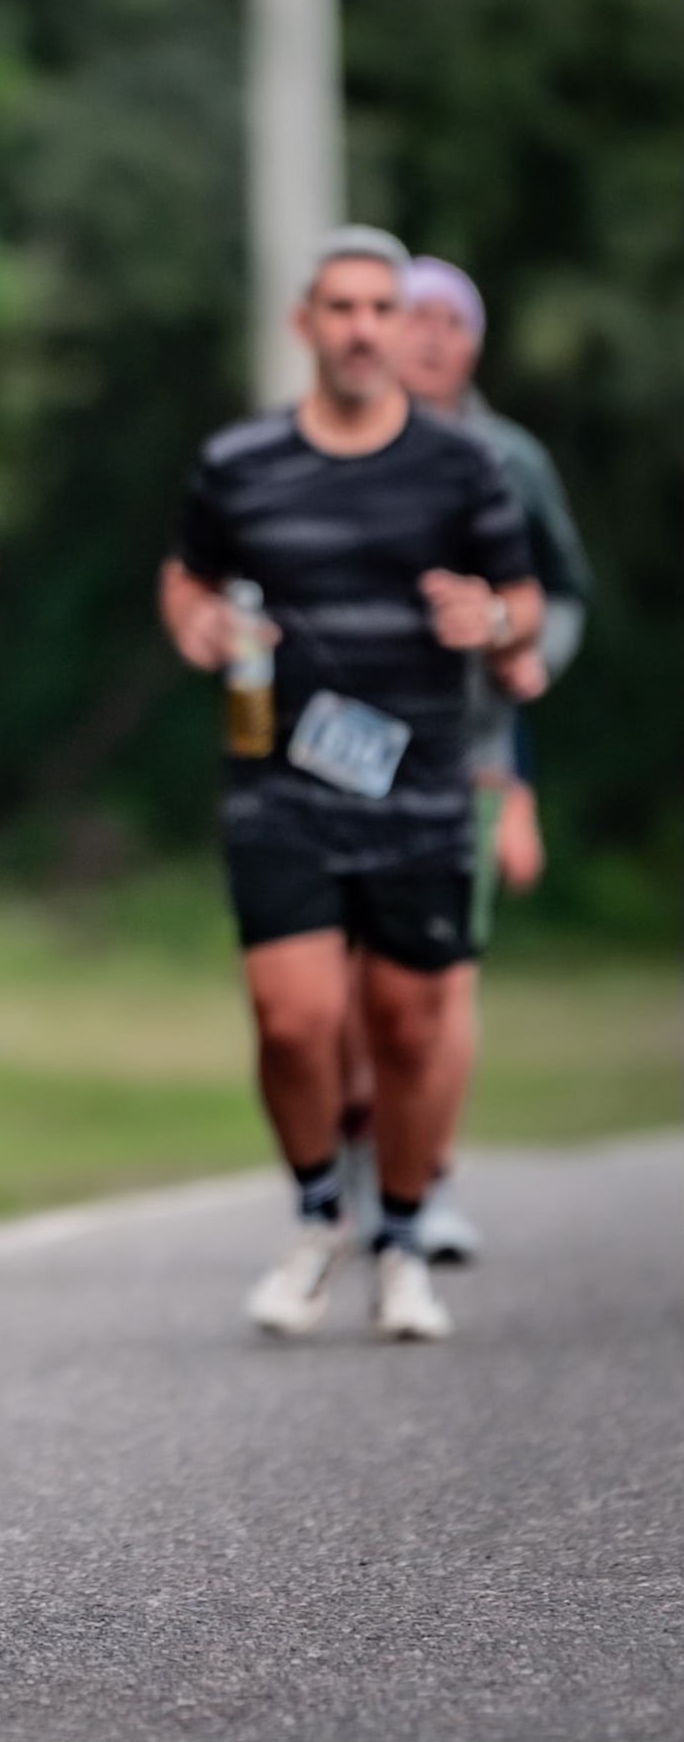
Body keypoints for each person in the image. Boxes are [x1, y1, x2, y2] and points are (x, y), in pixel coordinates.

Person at [157, 226, 541, 1343]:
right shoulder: (239, 463)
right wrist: (198, 624)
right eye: (342, 308)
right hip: (276, 778)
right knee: (292, 1022)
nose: (364, 328)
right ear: (304, 325)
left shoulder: (462, 464)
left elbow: (515, 603)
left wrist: (493, 618)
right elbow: (185, 580)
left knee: (411, 1028)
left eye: (381, 308)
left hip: (420, 782)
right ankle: (320, 1212)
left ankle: (405, 1235)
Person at [333, 256, 595, 1260]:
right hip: (347, 748)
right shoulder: (338, 445)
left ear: (472, 343)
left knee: (439, 979)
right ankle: (362, 1166)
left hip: (471, 746)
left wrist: (529, 654)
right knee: (357, 984)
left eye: (451, 319)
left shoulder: (507, 460)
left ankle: (424, 1182)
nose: (429, 334)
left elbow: (560, 592)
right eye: (413, 316)